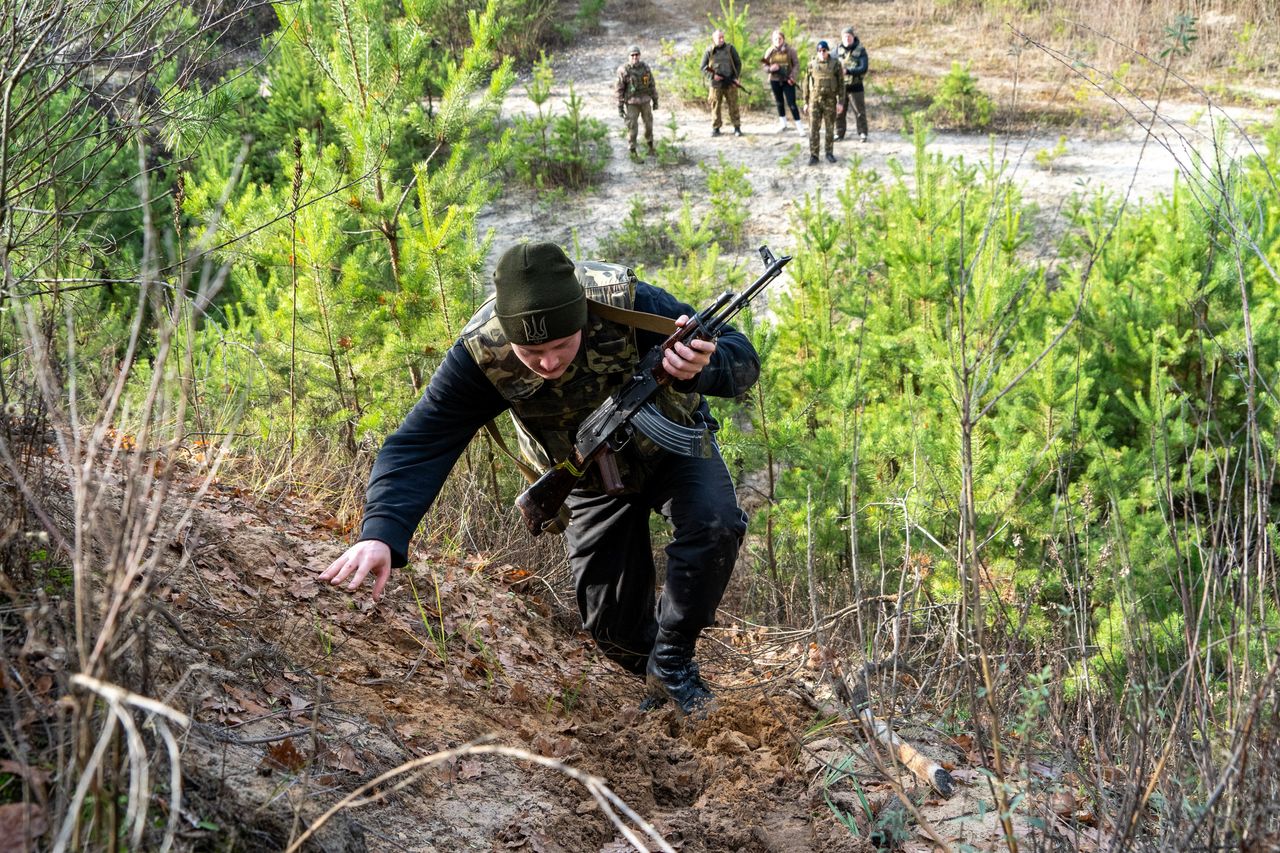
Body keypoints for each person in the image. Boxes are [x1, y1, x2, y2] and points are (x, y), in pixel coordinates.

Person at [319, 241, 759, 715]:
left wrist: (701, 369)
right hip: (587, 472)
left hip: (673, 448)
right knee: (611, 626)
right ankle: (651, 671)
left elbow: (742, 359)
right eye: (531, 352)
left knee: (714, 524)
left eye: (561, 345)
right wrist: (380, 533)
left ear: (582, 321)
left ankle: (674, 662)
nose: (549, 363)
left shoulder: (630, 304)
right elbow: (420, 442)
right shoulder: (481, 353)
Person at [802, 40, 843, 165]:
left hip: (830, 100)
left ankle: (829, 153)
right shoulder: (811, 64)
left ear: (827, 51)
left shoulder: (835, 64)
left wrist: (840, 101)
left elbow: (841, 83)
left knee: (830, 128)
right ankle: (814, 155)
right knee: (813, 128)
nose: (821, 53)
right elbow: (805, 83)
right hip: (815, 100)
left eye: (824, 50)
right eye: (819, 51)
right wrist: (805, 101)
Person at [616, 45, 658, 158]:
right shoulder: (623, 70)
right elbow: (619, 89)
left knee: (649, 125)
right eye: (632, 55)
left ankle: (650, 146)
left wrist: (655, 100)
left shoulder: (645, 68)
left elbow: (652, 85)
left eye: (637, 54)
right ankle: (633, 150)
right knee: (632, 128)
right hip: (632, 103)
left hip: (645, 102)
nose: (635, 57)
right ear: (629, 56)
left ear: (639, 55)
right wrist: (620, 106)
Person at [699, 29, 742, 137]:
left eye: (723, 37)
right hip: (715, 85)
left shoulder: (730, 49)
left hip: (730, 83)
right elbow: (703, 67)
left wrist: (736, 77)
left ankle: (737, 128)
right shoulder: (709, 51)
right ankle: (716, 128)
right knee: (715, 106)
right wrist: (713, 76)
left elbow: (738, 63)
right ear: (714, 39)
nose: (722, 39)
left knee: (733, 106)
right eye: (719, 38)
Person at [761, 29, 801, 134]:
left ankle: (799, 126)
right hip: (774, 80)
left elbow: (796, 65)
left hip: (788, 80)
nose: (778, 40)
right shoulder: (769, 51)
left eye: (780, 38)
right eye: (775, 39)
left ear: (783, 39)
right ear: (772, 40)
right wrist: (770, 69)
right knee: (779, 102)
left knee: (792, 103)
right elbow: (764, 65)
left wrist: (792, 76)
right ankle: (783, 124)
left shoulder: (791, 51)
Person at [835, 27, 869, 142]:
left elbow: (863, 68)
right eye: (845, 36)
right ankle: (839, 133)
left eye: (849, 36)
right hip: (841, 87)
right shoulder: (837, 50)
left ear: (853, 37)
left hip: (856, 87)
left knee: (859, 112)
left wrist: (848, 71)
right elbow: (829, 62)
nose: (847, 38)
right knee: (839, 111)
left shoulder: (861, 50)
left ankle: (863, 133)